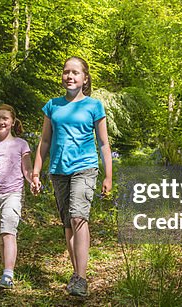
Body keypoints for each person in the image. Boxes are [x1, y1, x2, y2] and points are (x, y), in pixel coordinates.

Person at [31, 56, 113, 297]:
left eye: (75, 72)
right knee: (68, 224)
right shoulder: (52, 106)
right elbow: (44, 141)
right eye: (66, 72)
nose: (70, 76)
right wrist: (36, 172)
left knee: (79, 218)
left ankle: (82, 278)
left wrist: (108, 176)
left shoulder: (94, 106)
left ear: (84, 78)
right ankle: (77, 273)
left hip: (85, 168)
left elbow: (104, 143)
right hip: (58, 170)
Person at [0, 104, 34, 290]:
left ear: (12, 122)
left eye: (5, 118)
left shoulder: (21, 144)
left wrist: (33, 180)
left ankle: (8, 275)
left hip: (14, 193)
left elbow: (26, 168)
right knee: (0, 236)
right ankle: (5, 270)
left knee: (8, 231)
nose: (0, 122)